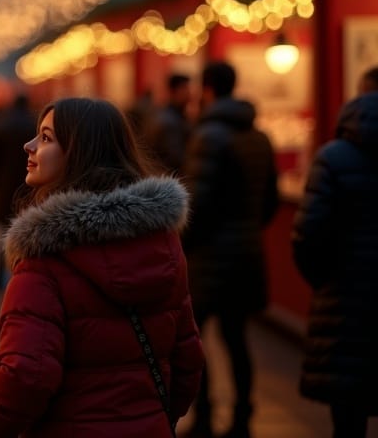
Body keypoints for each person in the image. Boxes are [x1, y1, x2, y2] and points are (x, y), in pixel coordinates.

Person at [0, 97, 204, 438]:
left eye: (46, 138)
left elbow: (25, 375)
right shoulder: (164, 244)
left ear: (79, 153)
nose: (30, 145)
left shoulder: (44, 259)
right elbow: (188, 359)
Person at [181, 61, 279, 438]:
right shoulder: (259, 137)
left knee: (195, 339)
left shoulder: (208, 136)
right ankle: (242, 419)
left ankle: (204, 415)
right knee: (237, 339)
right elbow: (269, 201)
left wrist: (184, 246)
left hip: (208, 257)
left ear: (207, 89)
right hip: (247, 253)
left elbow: (197, 205)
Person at [291, 90, 378, 438]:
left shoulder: (333, 157)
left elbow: (307, 235)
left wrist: (325, 281)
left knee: (348, 416)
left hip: (344, 300)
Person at [0, 93, 34, 293]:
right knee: (28, 234)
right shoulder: (34, 126)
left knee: (4, 234)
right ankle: (20, 277)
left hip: (5, 188)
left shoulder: (1, 126)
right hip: (30, 187)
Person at [146, 73, 193, 176]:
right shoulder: (169, 121)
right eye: (185, 89)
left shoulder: (171, 116)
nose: (190, 94)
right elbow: (175, 159)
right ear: (174, 91)